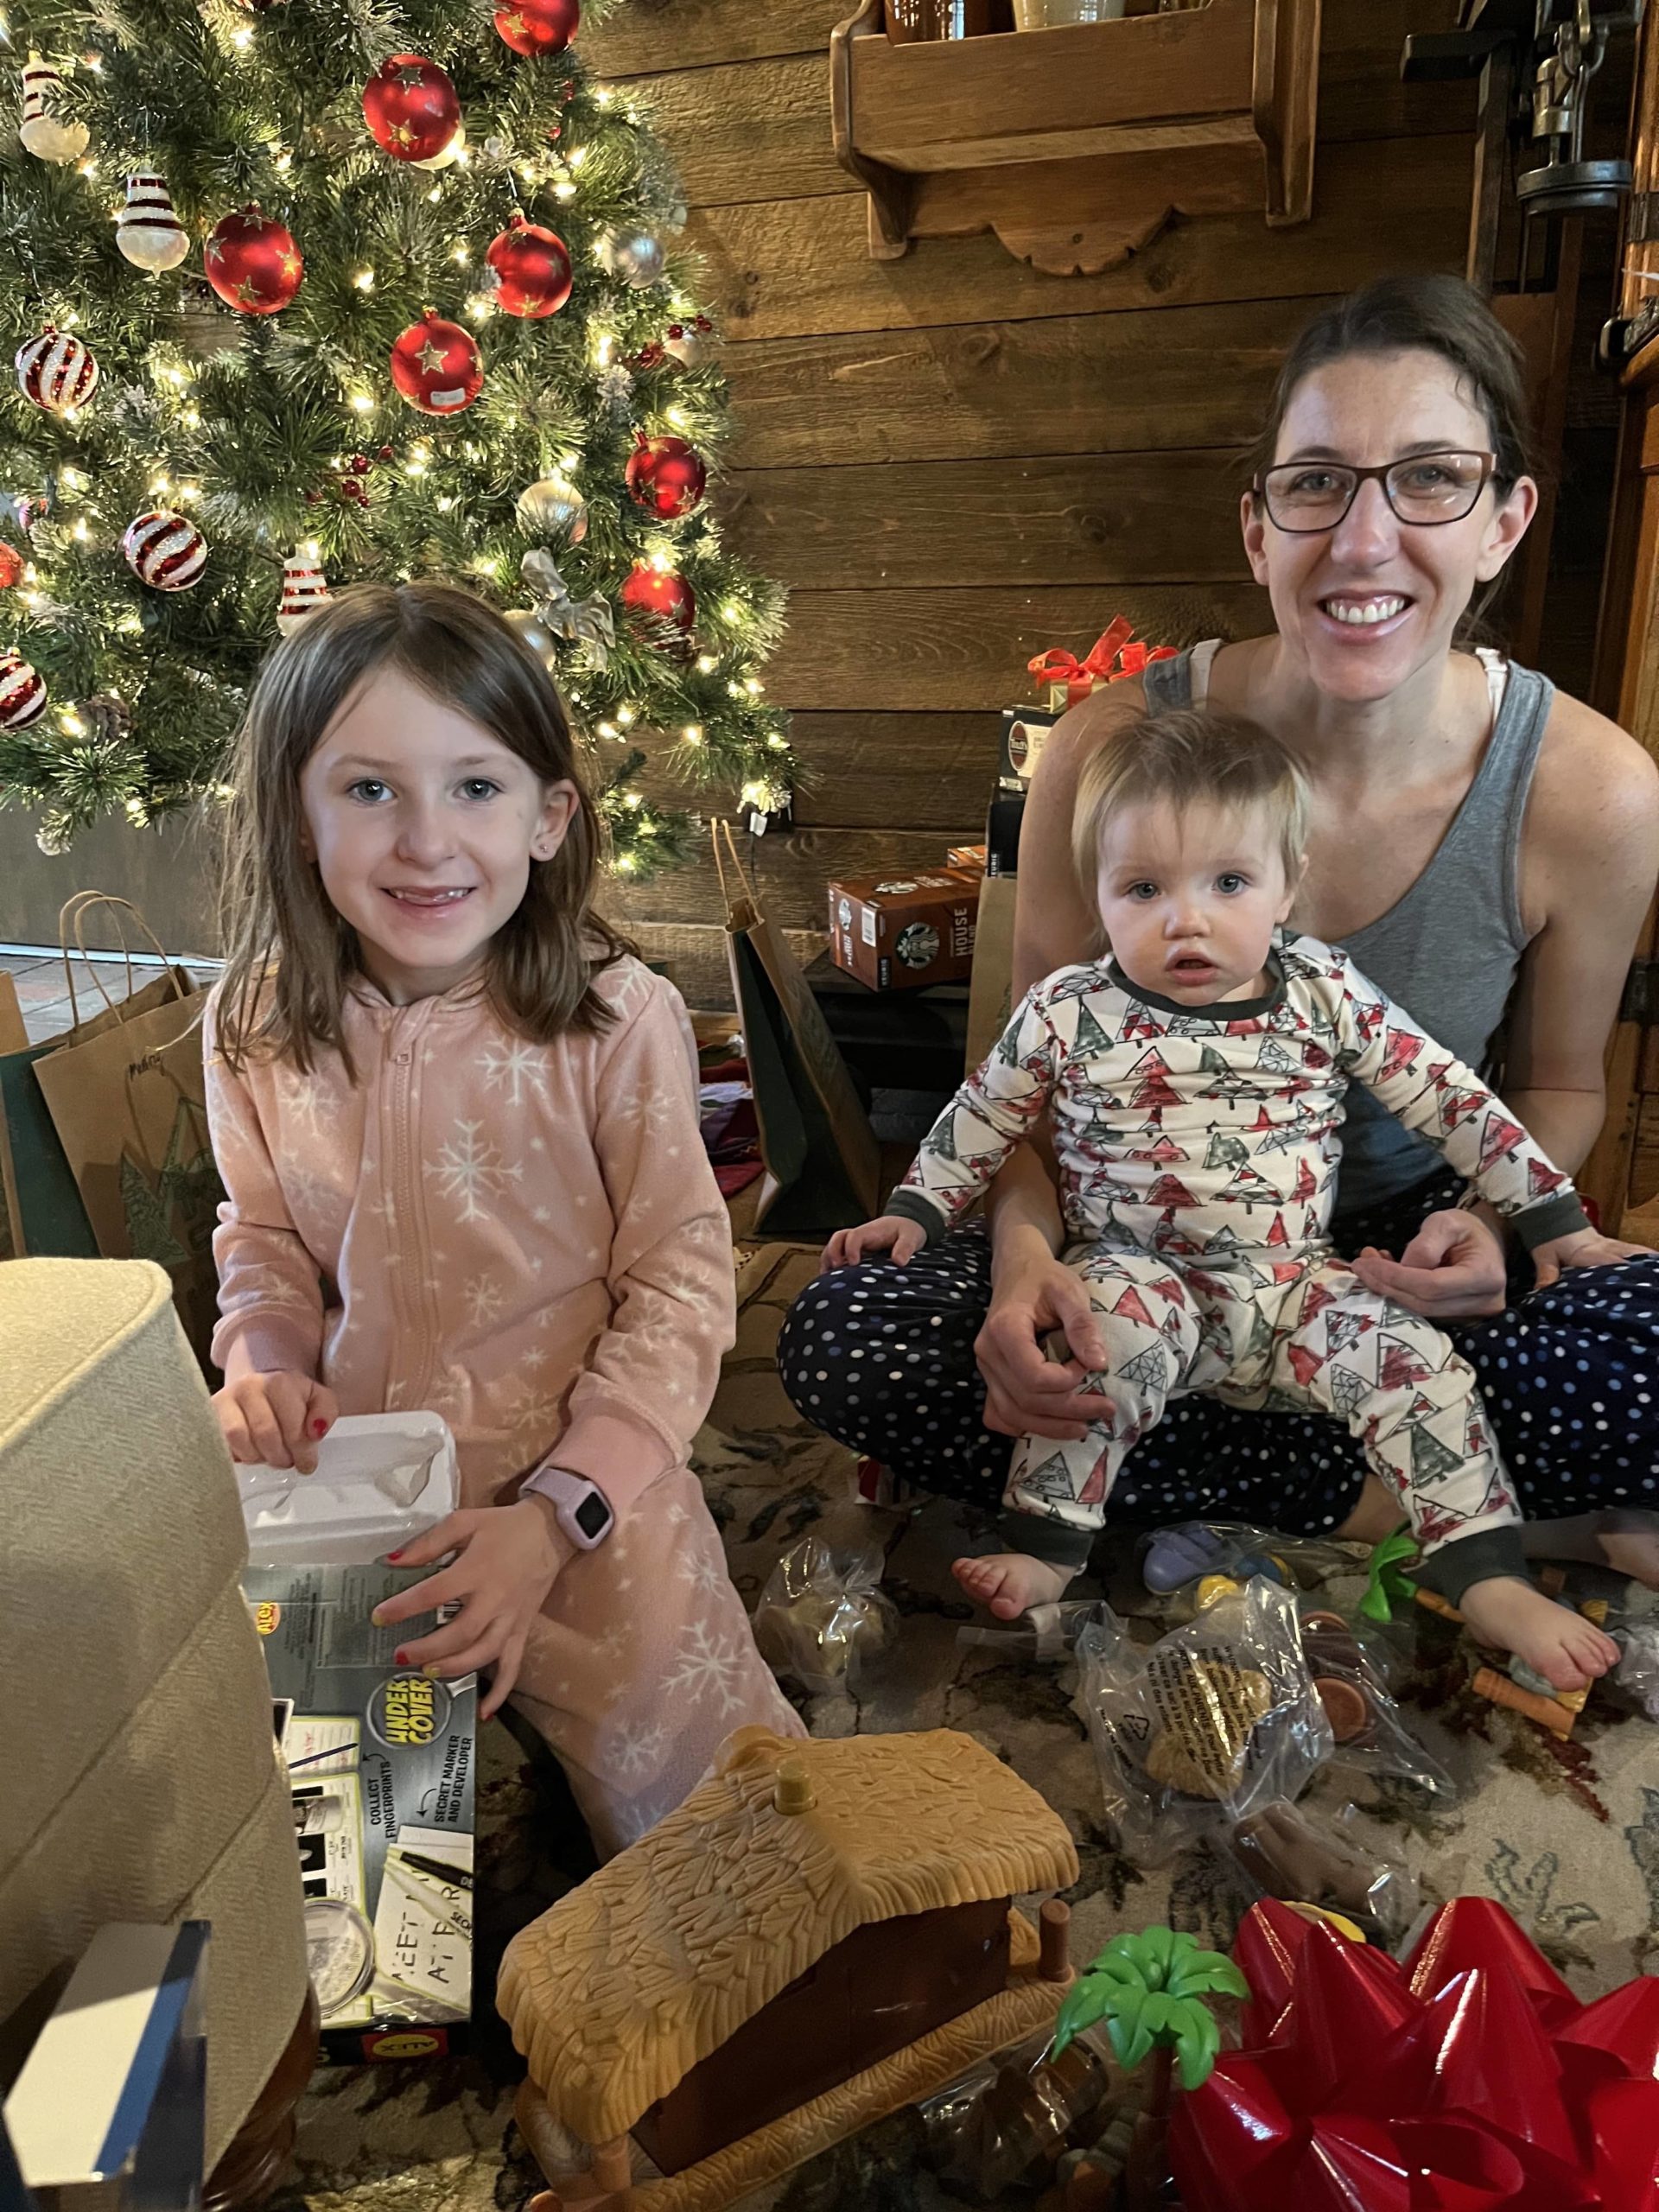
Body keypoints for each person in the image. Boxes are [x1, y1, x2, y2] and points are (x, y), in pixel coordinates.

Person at [780, 273, 1659, 1586]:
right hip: (1127, 1253)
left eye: (1430, 478)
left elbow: (1555, 1088)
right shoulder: (1108, 750)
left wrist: (1490, 1227)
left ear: (1506, 521)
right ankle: (1439, 1499)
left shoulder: (1594, 792)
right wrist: (1025, 1271)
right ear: (1259, 528)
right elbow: (1023, 1094)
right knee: (850, 1331)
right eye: (1316, 483)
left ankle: (1183, 1479)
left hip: (1384, 1273)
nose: (1364, 540)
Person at [829, 708, 1631, 1688]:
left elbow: (1450, 1099)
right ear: (1101, 896)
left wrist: (1552, 1223)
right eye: (1142, 888)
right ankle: (1048, 1541)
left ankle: (1483, 1569)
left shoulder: (1325, 988)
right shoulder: (1068, 1008)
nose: (1186, 918)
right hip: (1136, 1278)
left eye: (1230, 883)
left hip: (1297, 1285)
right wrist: (910, 1213)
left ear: (1289, 886)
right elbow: (982, 1116)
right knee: (1085, 1354)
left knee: (1421, 1368)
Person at [204, 581, 799, 1856]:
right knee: (350, 1895)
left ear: (548, 817)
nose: (426, 841)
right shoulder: (252, 1024)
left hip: (582, 1499)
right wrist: (265, 1361)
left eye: (474, 788)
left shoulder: (616, 1018)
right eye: (370, 791)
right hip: (352, 1496)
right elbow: (259, 1240)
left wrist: (559, 1517)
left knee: (746, 1850)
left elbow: (683, 1281)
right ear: (300, 822)